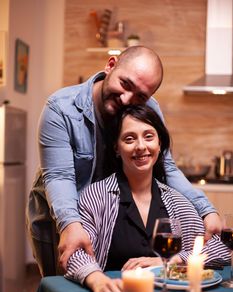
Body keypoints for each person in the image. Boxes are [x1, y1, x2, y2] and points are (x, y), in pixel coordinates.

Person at [26, 45, 221, 277]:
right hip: (58, 213)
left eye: (140, 96)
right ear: (110, 66)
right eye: (125, 84)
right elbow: (59, 176)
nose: (128, 99)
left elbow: (166, 167)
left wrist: (206, 210)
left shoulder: (150, 108)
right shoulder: (61, 108)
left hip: (109, 213)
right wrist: (70, 224)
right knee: (61, 290)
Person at [65, 105, 230, 292]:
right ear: (117, 148)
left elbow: (223, 248)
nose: (141, 146)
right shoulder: (96, 196)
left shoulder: (177, 202)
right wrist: (97, 280)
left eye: (149, 136)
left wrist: (171, 261)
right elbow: (75, 253)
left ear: (160, 145)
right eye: (129, 138)